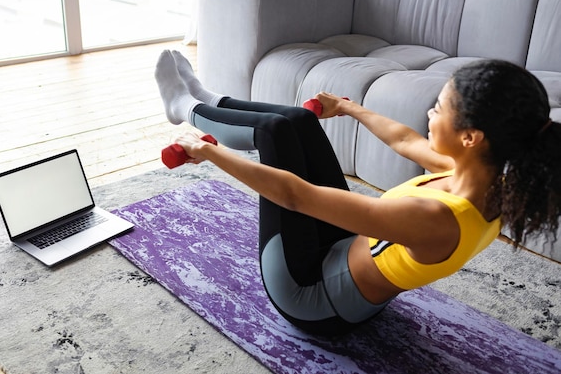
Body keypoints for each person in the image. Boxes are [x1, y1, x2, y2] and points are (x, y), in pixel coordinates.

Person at [154, 50, 561, 335]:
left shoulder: (436, 220)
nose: (430, 114)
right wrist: (347, 108)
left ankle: (186, 109)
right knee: (298, 120)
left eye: (440, 108)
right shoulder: (490, 181)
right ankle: (208, 101)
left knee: (273, 133)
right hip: (345, 253)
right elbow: (404, 140)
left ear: (471, 137)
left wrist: (209, 152)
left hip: (309, 293)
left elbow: (296, 197)